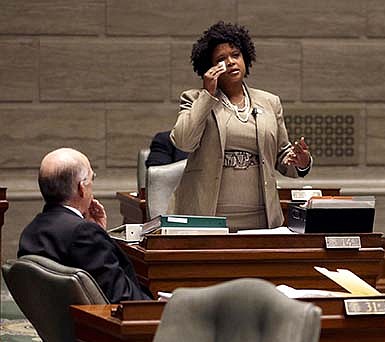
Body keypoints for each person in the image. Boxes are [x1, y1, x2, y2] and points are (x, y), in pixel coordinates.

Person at [169, 22, 312, 232]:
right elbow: (183, 141)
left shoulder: (270, 102)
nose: (230, 62)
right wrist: (207, 94)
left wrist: (301, 162)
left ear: (245, 57)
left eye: (235, 55)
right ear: (209, 67)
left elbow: (283, 158)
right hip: (208, 218)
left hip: (259, 221)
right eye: (220, 59)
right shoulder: (195, 99)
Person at [18, 148, 153, 303]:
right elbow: (122, 297)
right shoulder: (84, 234)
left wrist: (101, 234)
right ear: (82, 187)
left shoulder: (31, 231)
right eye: (92, 178)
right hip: (118, 322)